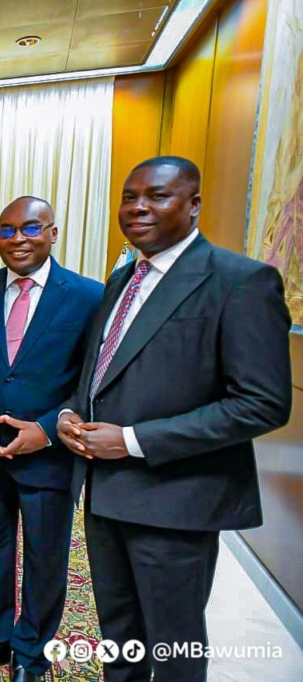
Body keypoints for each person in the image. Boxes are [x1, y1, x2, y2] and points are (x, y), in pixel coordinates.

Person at [57, 156, 292, 682]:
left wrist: (135, 440)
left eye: (158, 196)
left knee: (173, 643)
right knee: (120, 633)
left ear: (194, 204)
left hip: (177, 497)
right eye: (129, 196)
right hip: (106, 492)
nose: (138, 207)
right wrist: (72, 413)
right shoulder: (123, 281)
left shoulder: (240, 281)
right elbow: (101, 373)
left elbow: (263, 403)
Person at [0, 197, 104, 682]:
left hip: (49, 458)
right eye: (6, 230)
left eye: (30, 228)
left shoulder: (87, 295)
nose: (17, 239)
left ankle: (32, 652)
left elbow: (92, 379)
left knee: (44, 558)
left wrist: (46, 428)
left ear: (53, 233)